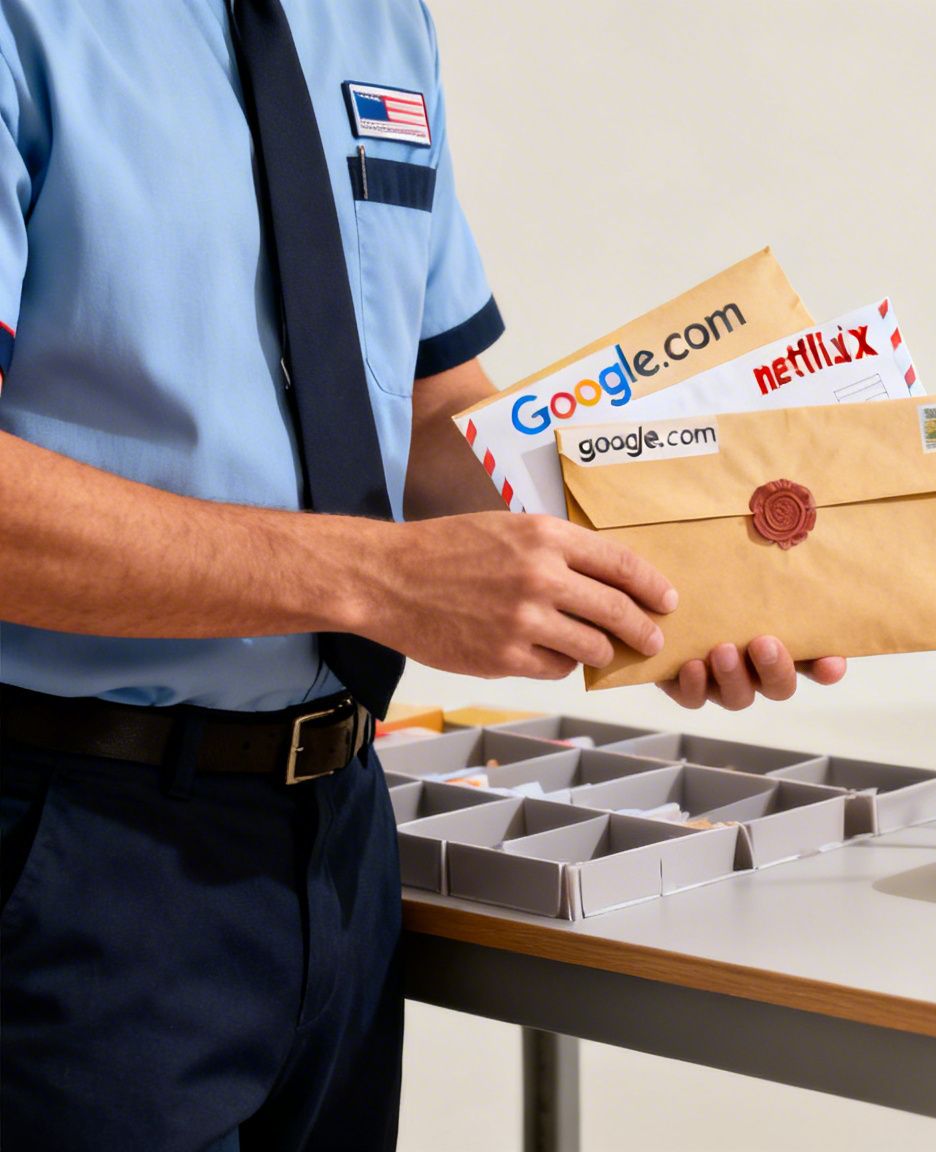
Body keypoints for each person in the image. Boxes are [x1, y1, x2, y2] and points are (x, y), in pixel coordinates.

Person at [0, 3, 842, 1147]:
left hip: (341, 837)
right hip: (65, 844)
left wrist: (671, 578)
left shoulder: (376, 22)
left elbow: (430, 406)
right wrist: (380, 580)